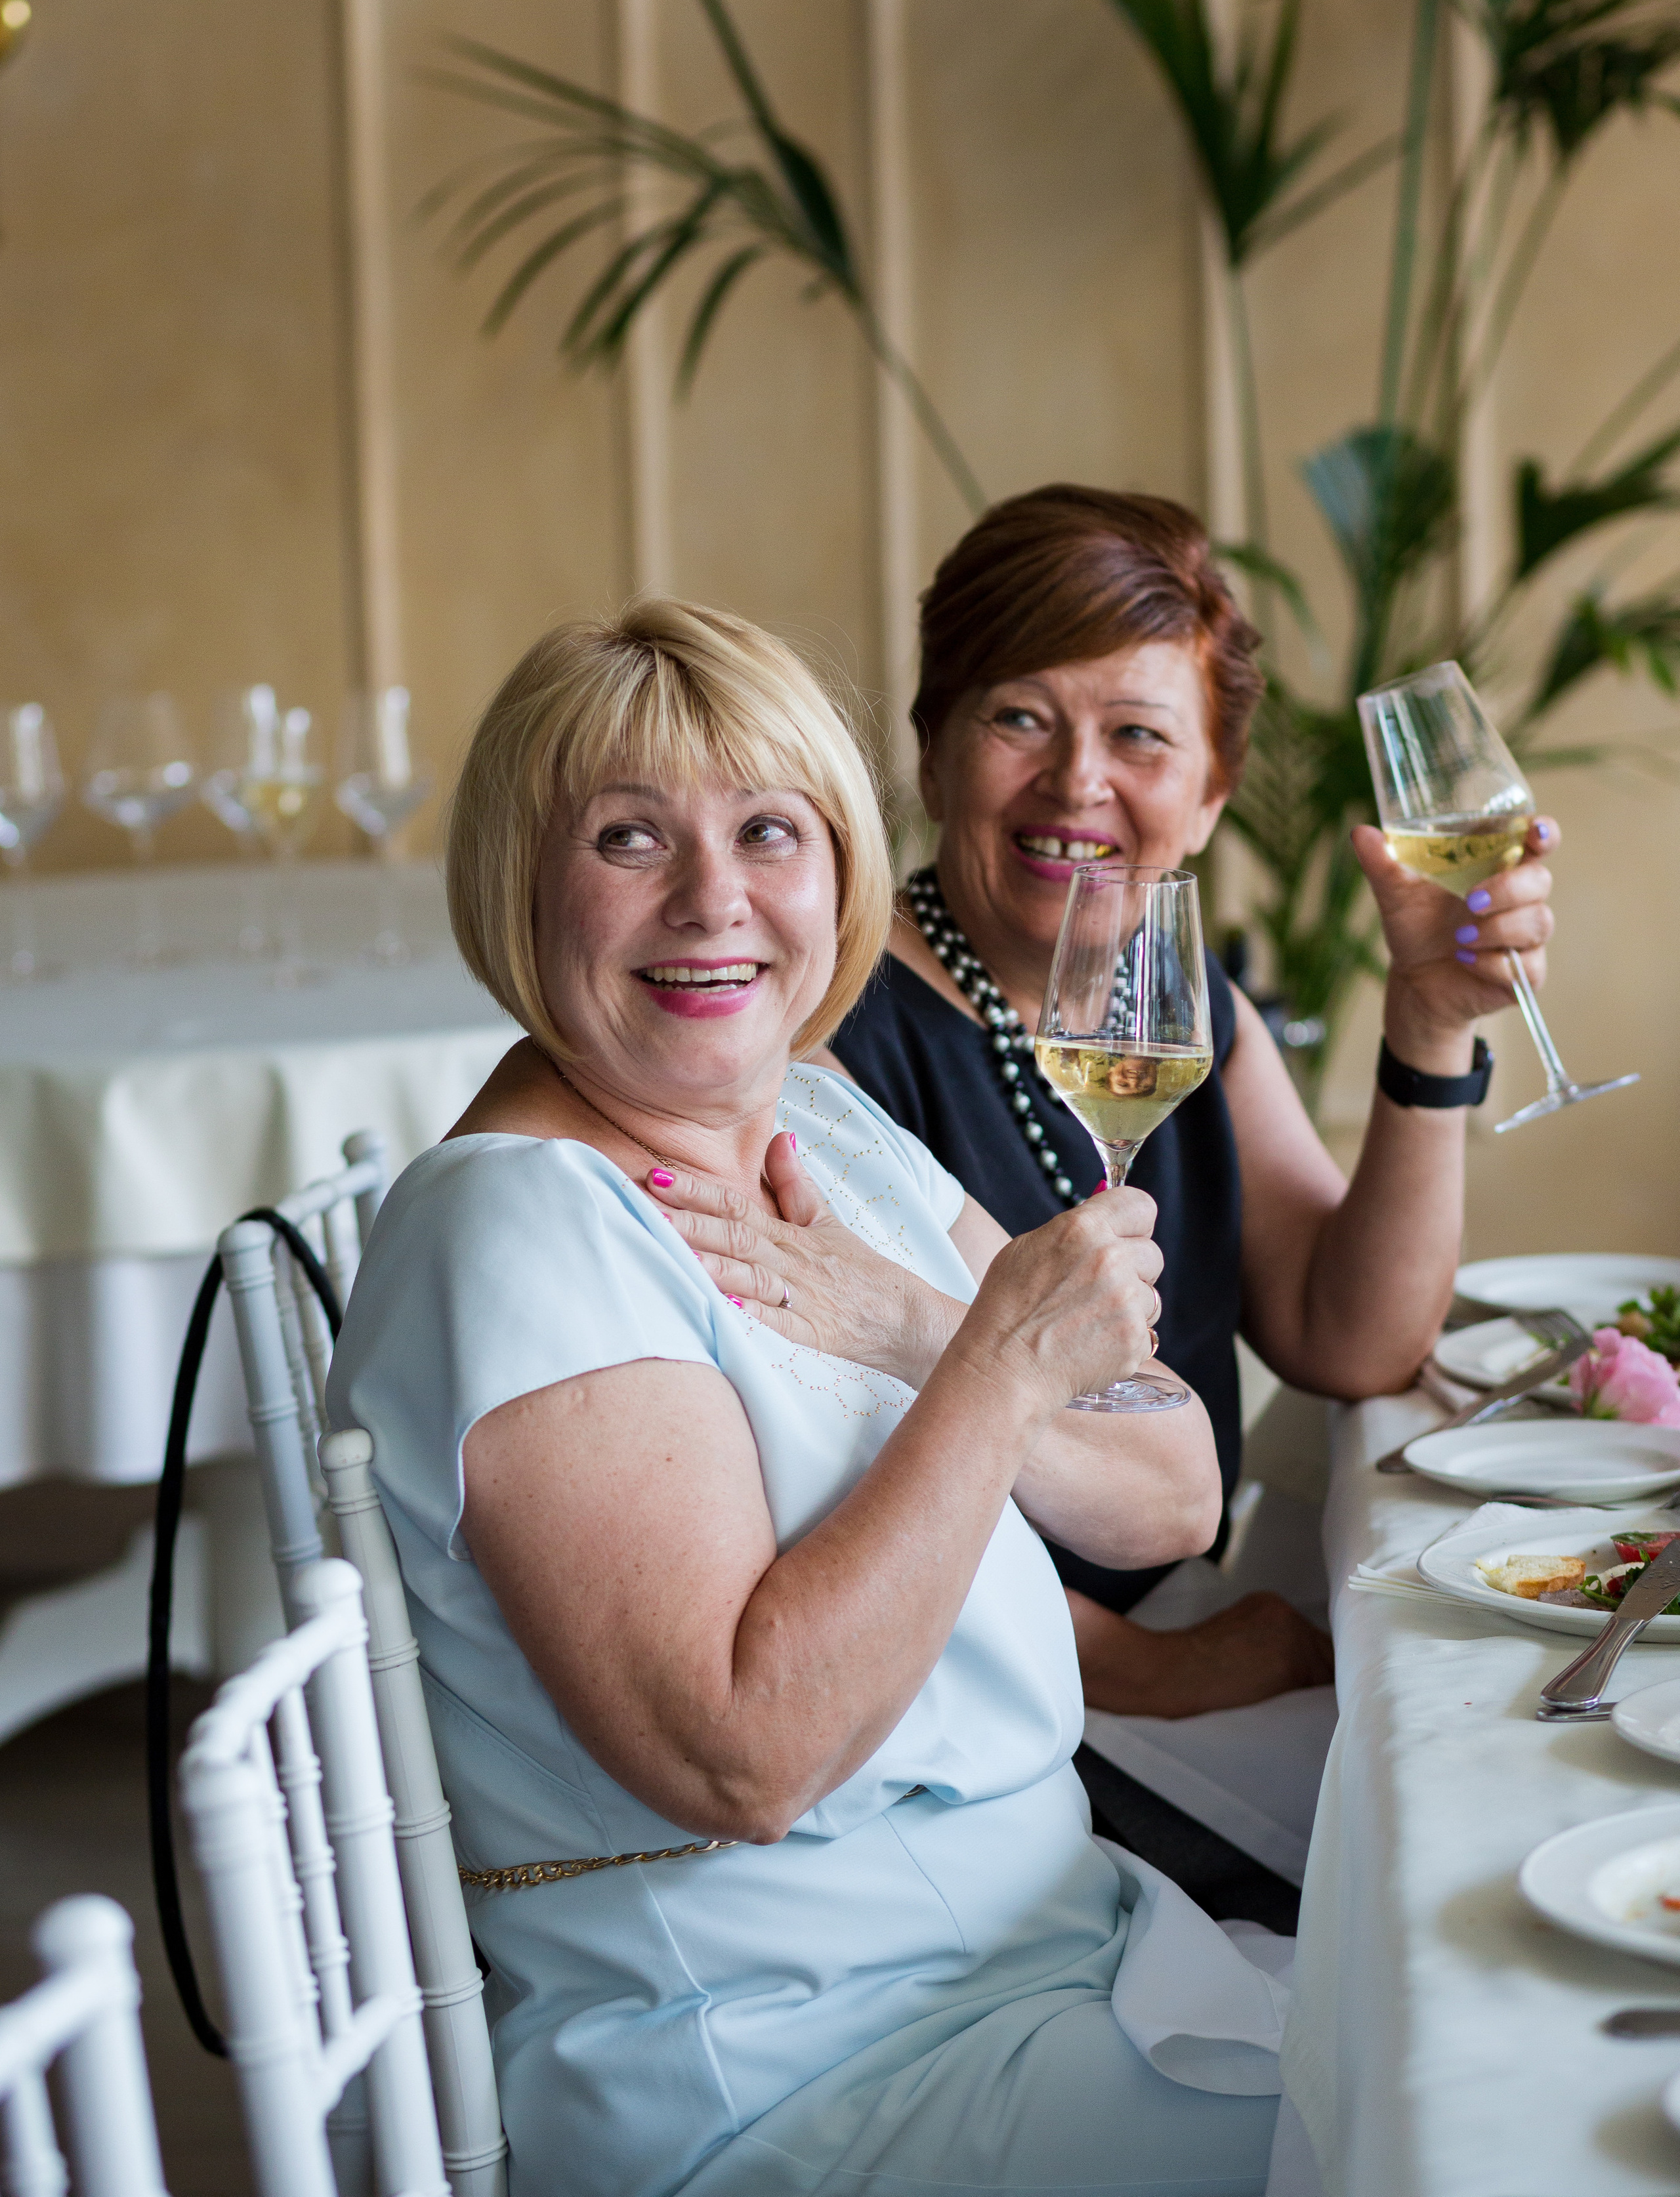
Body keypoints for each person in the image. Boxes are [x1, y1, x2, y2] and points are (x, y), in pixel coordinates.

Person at [327, 600, 1286, 2197]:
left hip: (1057, 1946)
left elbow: (1167, 1493)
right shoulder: (521, 1226)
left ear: (839, 867)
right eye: (628, 838)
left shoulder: (816, 1117)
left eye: (767, 831)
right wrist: (991, 1369)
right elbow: (743, 1758)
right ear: (518, 882)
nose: (712, 900)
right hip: (802, 2069)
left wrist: (919, 1329)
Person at [713, 484, 1555, 1913]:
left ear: (1213, 794)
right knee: (1441, 1867)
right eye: (1019, 718)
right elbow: (808, 1497)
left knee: (1488, 1775)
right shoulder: (828, 1042)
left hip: (1163, 1621)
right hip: (986, 1722)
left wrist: (1428, 1027)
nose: (1076, 784)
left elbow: (1350, 1337)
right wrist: (1155, 1666)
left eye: (1140, 737)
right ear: (932, 752)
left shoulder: (1175, 1005)